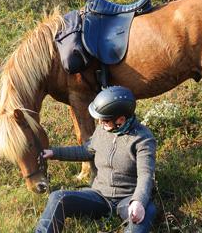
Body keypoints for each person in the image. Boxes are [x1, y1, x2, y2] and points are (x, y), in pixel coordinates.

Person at [35, 86, 157, 233]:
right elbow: (86, 150)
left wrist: (138, 201)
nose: (100, 123)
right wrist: (54, 152)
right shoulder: (103, 130)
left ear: (121, 120)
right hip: (100, 196)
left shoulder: (143, 139)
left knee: (145, 215)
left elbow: (146, 175)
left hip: (128, 199)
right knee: (58, 197)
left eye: (104, 120)